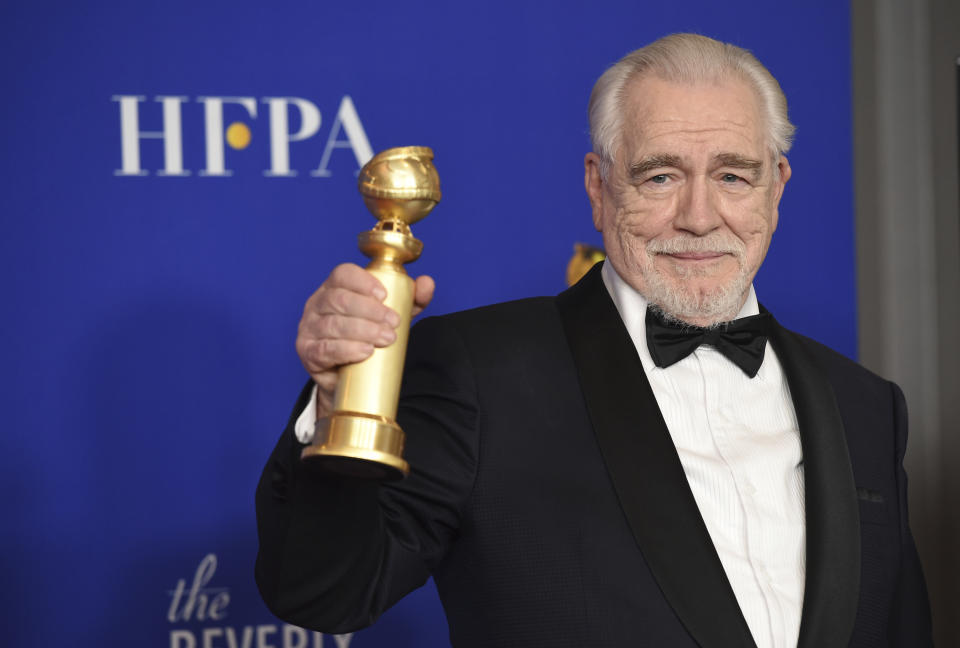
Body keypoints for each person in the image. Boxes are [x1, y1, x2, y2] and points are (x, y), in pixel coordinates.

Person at [255, 34, 932, 647]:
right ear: (599, 189)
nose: (699, 218)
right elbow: (323, 593)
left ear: (775, 190)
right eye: (660, 175)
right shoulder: (479, 373)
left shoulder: (866, 407)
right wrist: (340, 405)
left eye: (731, 175)